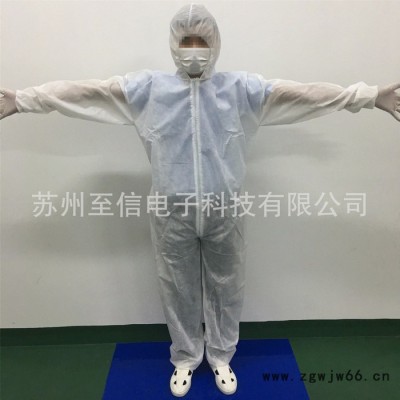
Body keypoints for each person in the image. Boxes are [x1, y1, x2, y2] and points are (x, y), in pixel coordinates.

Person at [1, 3, 399, 397]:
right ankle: (185, 357)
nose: (194, 49)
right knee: (177, 286)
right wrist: (23, 100)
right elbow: (89, 92)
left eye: (201, 41)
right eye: (186, 41)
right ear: (174, 44)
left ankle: (221, 356)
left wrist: (365, 96)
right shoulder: (149, 91)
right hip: (171, 213)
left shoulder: (240, 90)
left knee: (228, 285)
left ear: (215, 43)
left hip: (225, 211)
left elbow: (301, 95)